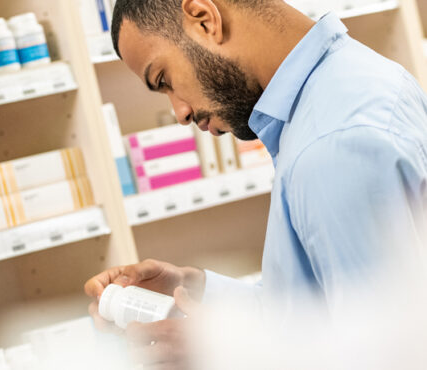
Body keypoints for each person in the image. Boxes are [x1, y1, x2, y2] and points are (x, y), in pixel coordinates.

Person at [84, 0, 427, 367]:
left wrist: (225, 354)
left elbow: (384, 357)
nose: (180, 112)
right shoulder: (343, 85)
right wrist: (190, 285)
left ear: (204, 19)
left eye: (164, 80)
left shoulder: (332, 144)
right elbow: (314, 312)